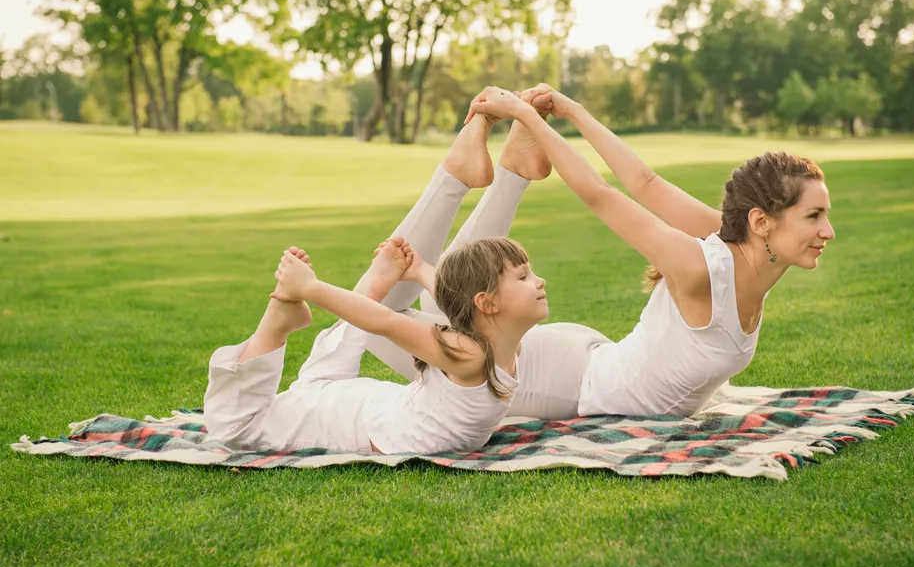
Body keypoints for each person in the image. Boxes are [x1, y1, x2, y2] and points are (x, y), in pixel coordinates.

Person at [460, 84, 836, 417]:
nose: (827, 231)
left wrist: (572, 110)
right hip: (564, 383)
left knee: (441, 336)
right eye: (813, 216)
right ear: (761, 222)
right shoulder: (699, 268)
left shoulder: (742, 244)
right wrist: (529, 117)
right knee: (432, 347)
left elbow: (646, 181)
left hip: (591, 356)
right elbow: (601, 195)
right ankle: (477, 175)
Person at [202, 232, 547, 455]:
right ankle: (276, 322)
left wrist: (423, 270)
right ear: (488, 303)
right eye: (523, 276)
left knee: (319, 385)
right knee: (234, 429)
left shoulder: (496, 342)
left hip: (374, 407)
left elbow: (459, 305)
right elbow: (386, 322)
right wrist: (309, 287)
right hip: (361, 418)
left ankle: (311, 308)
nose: (539, 280)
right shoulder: (472, 353)